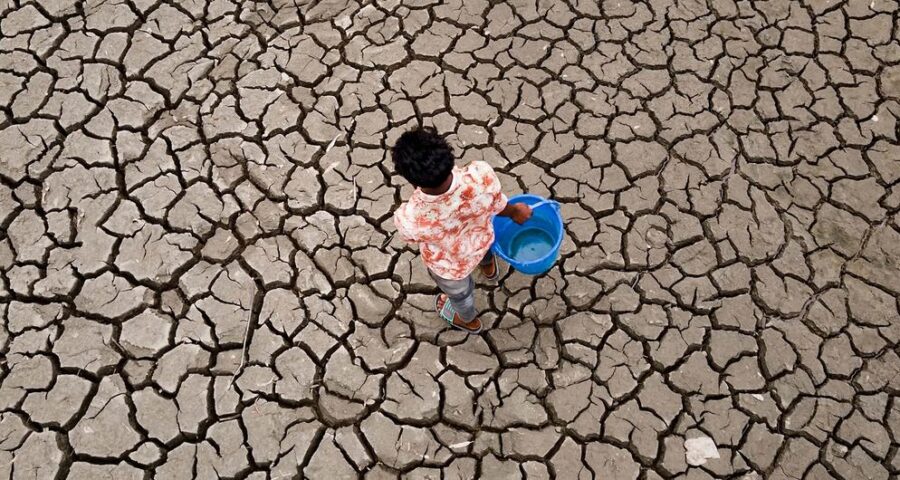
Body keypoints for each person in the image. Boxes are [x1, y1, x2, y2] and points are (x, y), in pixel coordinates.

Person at [392, 127, 532, 333]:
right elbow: (498, 205)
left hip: (451, 267)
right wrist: (514, 212)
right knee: (485, 249)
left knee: (461, 295)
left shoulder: (411, 218)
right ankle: (488, 269)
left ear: (412, 180)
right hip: (482, 240)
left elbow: (410, 238)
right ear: (449, 154)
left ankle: (468, 320)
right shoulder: (480, 175)